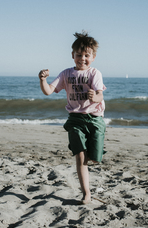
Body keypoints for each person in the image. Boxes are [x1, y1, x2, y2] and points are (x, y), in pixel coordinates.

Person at [38, 31, 106, 205]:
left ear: (93, 57)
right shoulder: (66, 74)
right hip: (75, 119)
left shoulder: (94, 73)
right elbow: (48, 91)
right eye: (79, 55)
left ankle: (91, 156)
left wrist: (94, 97)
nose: (82, 58)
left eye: (86, 55)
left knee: (95, 157)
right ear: (72, 55)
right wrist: (42, 80)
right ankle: (86, 193)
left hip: (94, 119)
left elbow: (100, 96)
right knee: (80, 157)